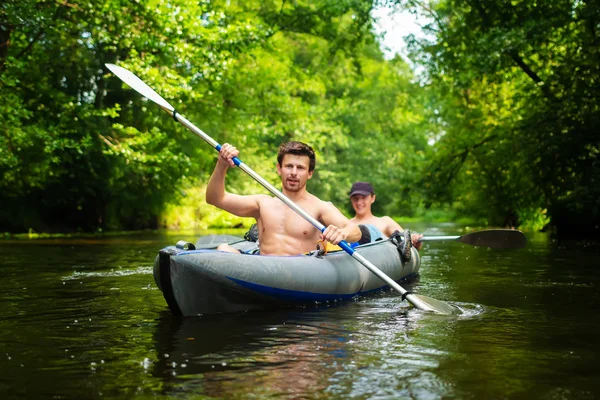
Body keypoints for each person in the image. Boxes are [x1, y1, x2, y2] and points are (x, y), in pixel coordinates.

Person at [206, 141, 363, 256]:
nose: (294, 172)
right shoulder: (262, 204)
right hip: (262, 269)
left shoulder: (319, 207)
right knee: (224, 248)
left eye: (300, 168)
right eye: (289, 166)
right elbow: (215, 198)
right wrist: (222, 164)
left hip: (300, 274)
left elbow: (355, 231)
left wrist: (342, 234)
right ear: (279, 169)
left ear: (310, 173)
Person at [348, 181, 422, 250]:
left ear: (373, 198)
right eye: (355, 199)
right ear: (351, 199)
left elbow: (406, 243)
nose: (359, 202)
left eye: (364, 198)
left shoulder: (385, 222)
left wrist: (414, 240)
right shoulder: (345, 224)